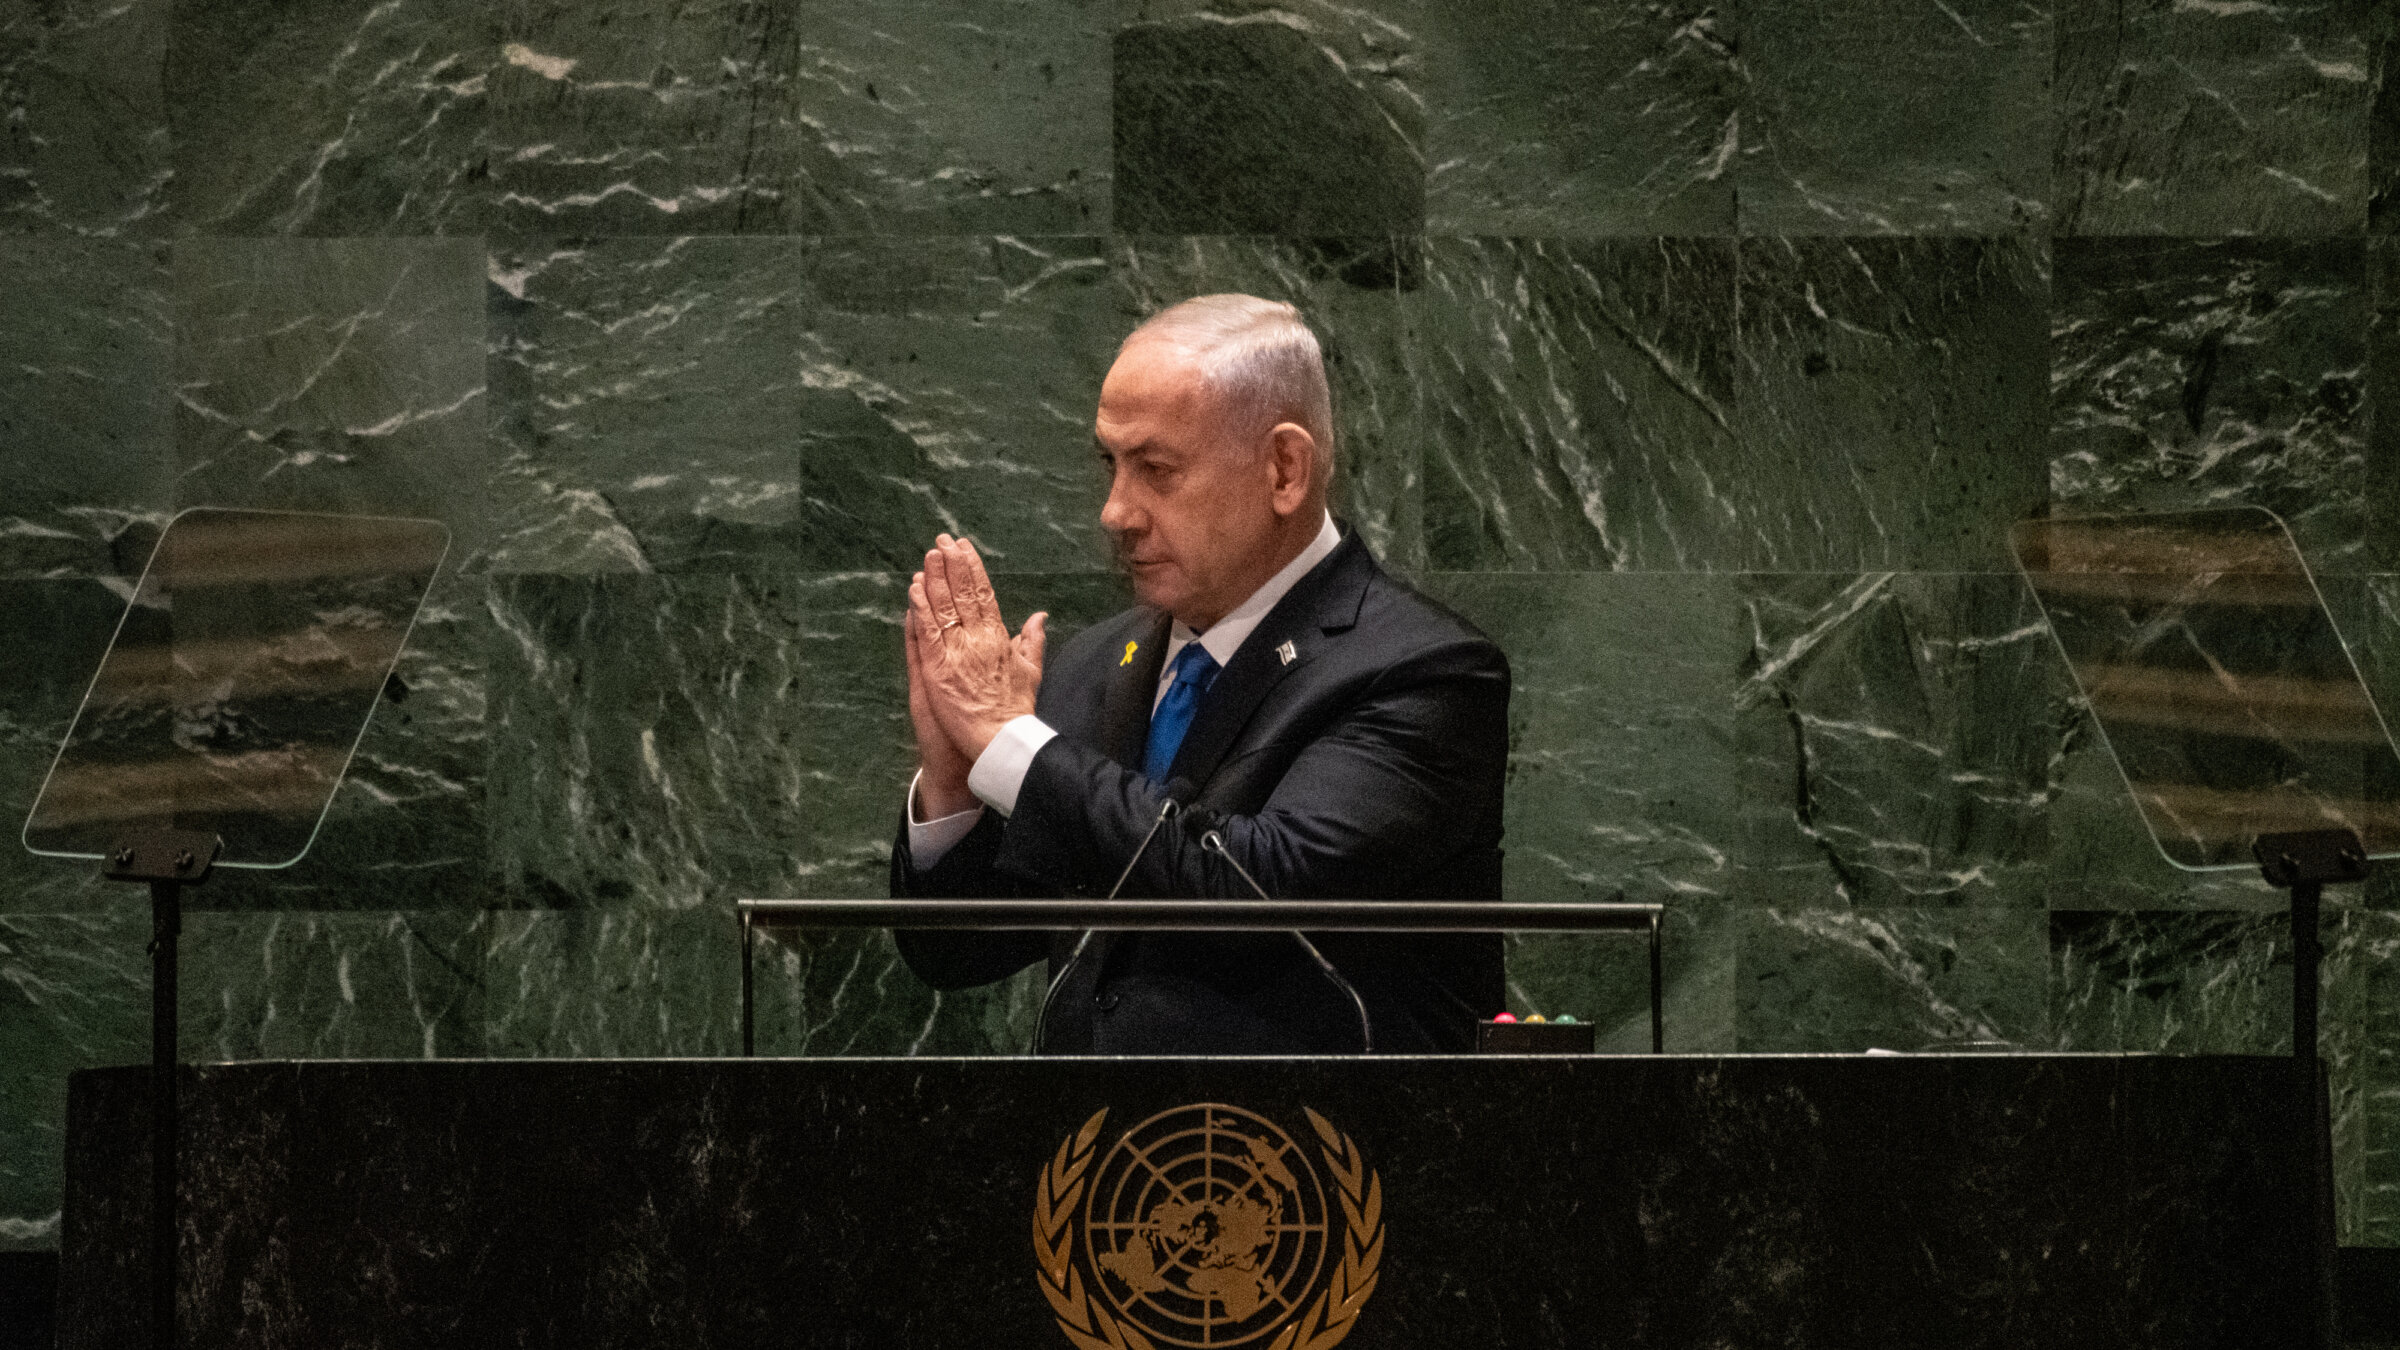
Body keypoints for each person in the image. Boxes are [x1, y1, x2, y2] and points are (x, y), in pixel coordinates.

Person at [892, 294, 1509, 1054]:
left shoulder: (1422, 671)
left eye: (1156, 470)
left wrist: (1010, 742)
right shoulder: (1095, 662)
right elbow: (958, 953)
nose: (1116, 512)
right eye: (1110, 466)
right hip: (1100, 1163)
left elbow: (1256, 891)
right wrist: (955, 784)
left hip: (1321, 1157)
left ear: (1284, 470)